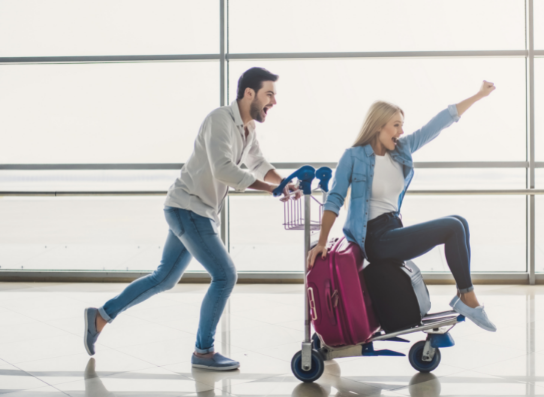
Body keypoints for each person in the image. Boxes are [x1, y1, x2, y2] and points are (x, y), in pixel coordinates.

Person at [84, 67, 301, 370]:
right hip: (189, 208)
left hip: (192, 209)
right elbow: (223, 169)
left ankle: (101, 315)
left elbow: (259, 163)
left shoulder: (248, 129)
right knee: (225, 275)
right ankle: (203, 352)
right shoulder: (220, 120)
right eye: (269, 94)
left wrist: (283, 183)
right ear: (249, 93)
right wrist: (270, 188)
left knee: (163, 278)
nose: (274, 102)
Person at [307, 81, 497, 332]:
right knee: (452, 226)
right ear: (378, 127)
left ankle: (465, 296)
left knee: (458, 221)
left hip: (392, 229)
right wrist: (321, 242)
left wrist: (478, 96)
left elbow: (438, 123)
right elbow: (334, 199)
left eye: (401, 125)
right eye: (396, 125)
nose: (401, 130)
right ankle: (467, 298)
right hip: (375, 239)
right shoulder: (353, 157)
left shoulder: (401, 150)